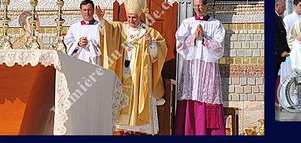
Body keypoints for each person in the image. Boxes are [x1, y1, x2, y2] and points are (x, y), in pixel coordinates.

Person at [95, 0, 167, 135]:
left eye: (134, 17)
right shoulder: (121, 28)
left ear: (140, 16)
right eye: (129, 17)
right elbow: (108, 31)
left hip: (139, 75)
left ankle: (137, 133)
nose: (131, 20)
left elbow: (157, 54)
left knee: (137, 111)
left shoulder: (148, 32)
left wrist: (151, 43)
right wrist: (101, 19)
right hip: (122, 71)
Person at [174, 0, 226, 135]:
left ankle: (209, 133)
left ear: (206, 6)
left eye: (201, 5)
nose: (198, 8)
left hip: (208, 66)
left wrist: (204, 38)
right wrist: (193, 36)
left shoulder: (216, 24)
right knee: (189, 93)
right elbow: (179, 44)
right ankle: (188, 131)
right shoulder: (187, 23)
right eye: (196, 5)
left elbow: (219, 47)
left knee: (208, 95)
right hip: (191, 65)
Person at [64, 0, 101, 65]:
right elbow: (68, 43)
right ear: (81, 11)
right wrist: (78, 44)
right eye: (84, 10)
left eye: (89, 10)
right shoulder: (74, 27)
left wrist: (89, 43)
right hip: (78, 61)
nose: (87, 12)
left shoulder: (100, 26)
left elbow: (104, 43)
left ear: (93, 11)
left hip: (95, 62)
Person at [278, 0, 301, 86]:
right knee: (290, 76)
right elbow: (285, 36)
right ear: (294, 6)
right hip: (292, 51)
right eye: (300, 5)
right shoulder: (288, 19)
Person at [275, 0, 290, 81]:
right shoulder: (273, 17)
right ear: (277, 6)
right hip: (276, 55)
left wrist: (288, 50)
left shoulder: (277, 17)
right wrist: (281, 51)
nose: (285, 9)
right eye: (283, 7)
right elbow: (274, 37)